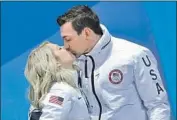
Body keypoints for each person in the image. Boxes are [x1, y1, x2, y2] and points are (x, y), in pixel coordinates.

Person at [56, 5, 171, 120]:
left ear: (87, 33)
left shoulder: (135, 55)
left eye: (68, 39)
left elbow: (158, 106)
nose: (65, 46)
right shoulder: (74, 61)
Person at [24, 41, 90, 120]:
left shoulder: (56, 89)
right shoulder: (59, 91)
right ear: (53, 62)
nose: (65, 47)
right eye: (59, 49)